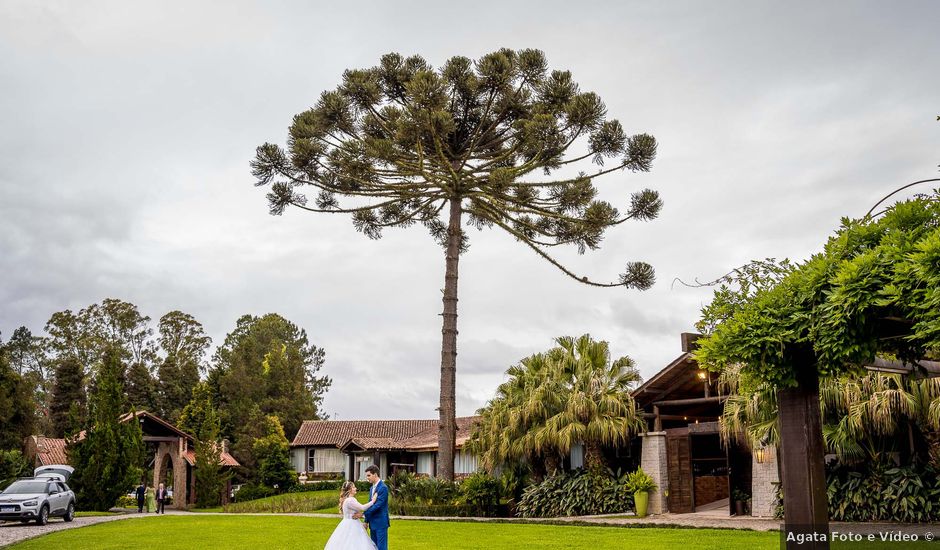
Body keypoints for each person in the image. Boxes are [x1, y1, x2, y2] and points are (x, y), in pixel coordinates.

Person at [323, 481, 378, 550]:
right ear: (349, 490)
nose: (356, 488)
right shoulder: (350, 500)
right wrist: (373, 501)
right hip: (352, 524)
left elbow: (355, 512)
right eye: (354, 487)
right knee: (353, 543)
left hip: (350, 522)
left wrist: (362, 515)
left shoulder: (349, 500)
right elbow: (362, 507)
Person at [358, 465, 390, 550]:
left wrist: (363, 514)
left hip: (380, 523)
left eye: (369, 475)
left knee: (381, 548)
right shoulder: (372, 488)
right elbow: (370, 505)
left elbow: (377, 506)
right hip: (372, 523)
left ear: (375, 474)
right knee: (373, 547)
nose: (367, 478)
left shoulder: (383, 488)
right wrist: (366, 521)